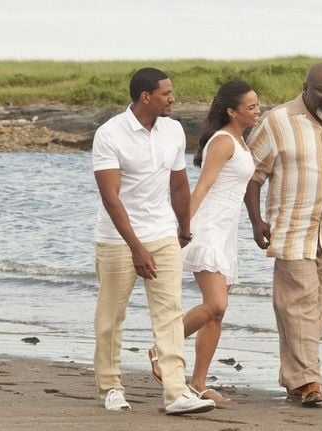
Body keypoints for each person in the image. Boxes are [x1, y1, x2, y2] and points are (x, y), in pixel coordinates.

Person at [91, 67, 215, 415]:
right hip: (118, 240)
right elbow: (110, 197)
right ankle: (111, 386)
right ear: (146, 97)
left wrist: (184, 227)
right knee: (110, 317)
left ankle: (176, 392)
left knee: (169, 315)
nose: (172, 98)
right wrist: (136, 248)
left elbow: (178, 184)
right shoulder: (110, 134)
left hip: (162, 234)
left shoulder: (173, 130)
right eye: (166, 94)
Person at [243, 63, 322, 405]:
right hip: (293, 230)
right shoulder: (277, 121)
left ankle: (296, 378)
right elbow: (251, 175)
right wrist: (256, 221)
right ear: (305, 88)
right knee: (298, 306)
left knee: (312, 312)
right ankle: (310, 382)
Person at [147, 79, 260, 405]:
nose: (257, 111)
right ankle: (161, 349)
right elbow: (202, 187)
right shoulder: (223, 141)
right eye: (250, 107)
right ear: (231, 111)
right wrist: (181, 228)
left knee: (217, 315)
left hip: (226, 233)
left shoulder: (241, 140)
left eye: (257, 104)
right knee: (216, 304)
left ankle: (197, 383)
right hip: (207, 229)